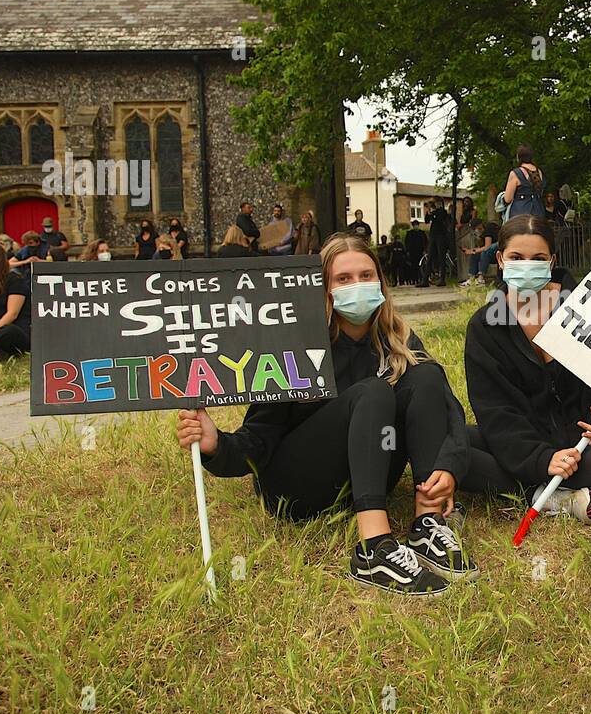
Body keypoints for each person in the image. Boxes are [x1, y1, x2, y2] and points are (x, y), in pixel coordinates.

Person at [177, 234, 478, 596]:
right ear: (324, 289)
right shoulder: (296, 345)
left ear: (381, 283)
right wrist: (217, 444)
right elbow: (259, 438)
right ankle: (373, 548)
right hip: (296, 487)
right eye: (344, 279)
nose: (358, 286)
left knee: (427, 375)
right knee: (373, 390)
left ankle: (427, 521)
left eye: (367, 276)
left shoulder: (396, 339)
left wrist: (449, 465)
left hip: (364, 475)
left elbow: (446, 407)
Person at [464, 215, 591, 520]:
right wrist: (542, 460)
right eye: (517, 257)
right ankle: (551, 493)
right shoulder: (484, 326)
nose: (527, 265)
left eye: (538, 258)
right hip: (523, 446)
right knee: (453, 446)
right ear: (500, 259)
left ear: (552, 260)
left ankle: (536, 491)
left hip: (586, 448)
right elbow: (495, 410)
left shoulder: (587, 308)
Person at [501, 145, 545, 221]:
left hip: (520, 212)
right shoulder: (540, 172)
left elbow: (508, 199)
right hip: (539, 211)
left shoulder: (515, 173)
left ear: (518, 157)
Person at [426, 198, 455, 285]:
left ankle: (442, 279)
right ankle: (425, 279)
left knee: (441, 257)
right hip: (433, 236)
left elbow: (439, 219)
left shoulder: (443, 212)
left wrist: (434, 212)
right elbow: (427, 220)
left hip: (441, 236)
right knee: (430, 256)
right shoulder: (433, 212)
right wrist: (428, 211)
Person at [458, 217, 485, 286]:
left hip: (489, 252)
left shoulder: (487, 232)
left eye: (479, 229)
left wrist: (472, 251)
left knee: (476, 254)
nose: (478, 230)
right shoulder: (479, 235)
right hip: (484, 252)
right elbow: (480, 247)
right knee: (475, 255)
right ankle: (472, 277)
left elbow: (487, 247)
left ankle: (479, 278)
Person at [405, 220, 428, 286]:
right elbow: (407, 243)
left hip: (420, 252)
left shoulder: (422, 233)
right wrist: (408, 251)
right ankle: (414, 279)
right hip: (412, 252)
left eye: (416, 225)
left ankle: (421, 279)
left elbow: (425, 242)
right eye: (414, 225)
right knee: (413, 267)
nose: (415, 226)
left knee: (421, 266)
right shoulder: (409, 233)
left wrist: (425, 250)